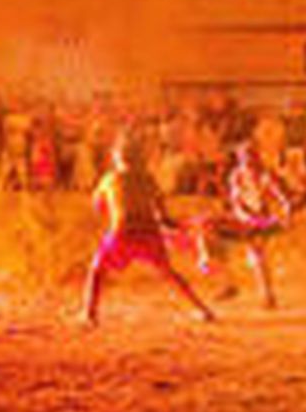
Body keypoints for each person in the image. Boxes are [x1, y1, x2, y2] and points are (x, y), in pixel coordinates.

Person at [81, 132, 215, 327]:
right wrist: (179, 226)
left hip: (122, 232)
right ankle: (202, 309)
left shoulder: (110, 178)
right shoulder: (148, 179)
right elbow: (162, 215)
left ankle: (89, 315)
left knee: (96, 270)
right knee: (170, 273)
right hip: (149, 233)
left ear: (117, 156)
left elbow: (97, 204)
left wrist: (112, 214)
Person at [224, 142, 292, 309]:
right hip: (244, 218)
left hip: (259, 218)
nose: (247, 161)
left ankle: (267, 295)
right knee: (251, 256)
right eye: (243, 157)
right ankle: (237, 286)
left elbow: (281, 197)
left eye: (249, 157)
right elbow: (236, 201)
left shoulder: (264, 176)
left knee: (257, 256)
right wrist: (244, 215)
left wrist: (285, 211)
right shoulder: (237, 176)